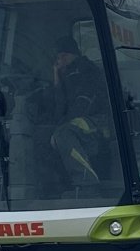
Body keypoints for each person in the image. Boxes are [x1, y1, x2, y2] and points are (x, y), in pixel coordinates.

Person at [46, 36, 109, 183]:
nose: (60, 61)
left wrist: (59, 125)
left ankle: (87, 182)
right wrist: (56, 78)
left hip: (98, 120)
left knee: (62, 134)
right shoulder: (66, 76)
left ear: (70, 55)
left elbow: (81, 105)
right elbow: (59, 106)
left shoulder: (85, 71)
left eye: (62, 57)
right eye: (58, 59)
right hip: (77, 119)